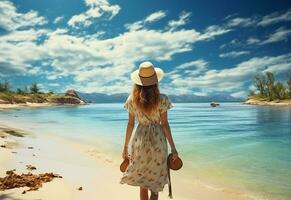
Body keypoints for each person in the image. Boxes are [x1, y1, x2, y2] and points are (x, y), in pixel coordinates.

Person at [120, 61, 179, 200]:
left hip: (140, 142)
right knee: (155, 183)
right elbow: (165, 124)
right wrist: (173, 148)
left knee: (143, 183)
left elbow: (130, 124)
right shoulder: (162, 99)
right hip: (158, 142)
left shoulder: (132, 100)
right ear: (155, 82)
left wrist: (125, 147)